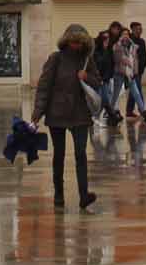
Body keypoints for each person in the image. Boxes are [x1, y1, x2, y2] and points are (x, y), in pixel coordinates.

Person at [30, 24, 99, 210]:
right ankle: (58, 194)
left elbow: (98, 82)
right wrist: (37, 113)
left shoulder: (87, 61)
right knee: (58, 155)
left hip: (80, 114)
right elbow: (44, 87)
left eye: (79, 42)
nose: (76, 45)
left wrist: (87, 77)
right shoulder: (56, 59)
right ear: (66, 41)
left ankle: (84, 195)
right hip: (57, 113)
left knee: (80, 153)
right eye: (73, 42)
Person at [114, 25, 146, 124]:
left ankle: (144, 113)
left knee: (136, 93)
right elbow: (119, 59)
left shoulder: (132, 45)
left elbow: (135, 59)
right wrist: (128, 64)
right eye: (123, 34)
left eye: (127, 34)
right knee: (116, 95)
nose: (126, 36)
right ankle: (111, 112)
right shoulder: (117, 45)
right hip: (120, 73)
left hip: (130, 74)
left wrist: (135, 72)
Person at [89, 23, 123, 124]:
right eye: (105, 38)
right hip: (98, 80)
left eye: (108, 38)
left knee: (104, 100)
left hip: (106, 79)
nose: (107, 40)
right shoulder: (97, 52)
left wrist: (109, 77)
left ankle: (106, 117)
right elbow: (98, 64)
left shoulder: (108, 50)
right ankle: (101, 116)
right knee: (102, 100)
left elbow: (111, 64)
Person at [123, 22, 146, 123]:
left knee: (134, 91)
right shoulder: (129, 41)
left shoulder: (142, 41)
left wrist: (142, 67)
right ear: (132, 30)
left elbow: (144, 56)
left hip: (139, 70)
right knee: (137, 90)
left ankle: (129, 111)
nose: (140, 30)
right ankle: (144, 113)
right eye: (138, 29)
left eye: (141, 28)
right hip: (131, 71)